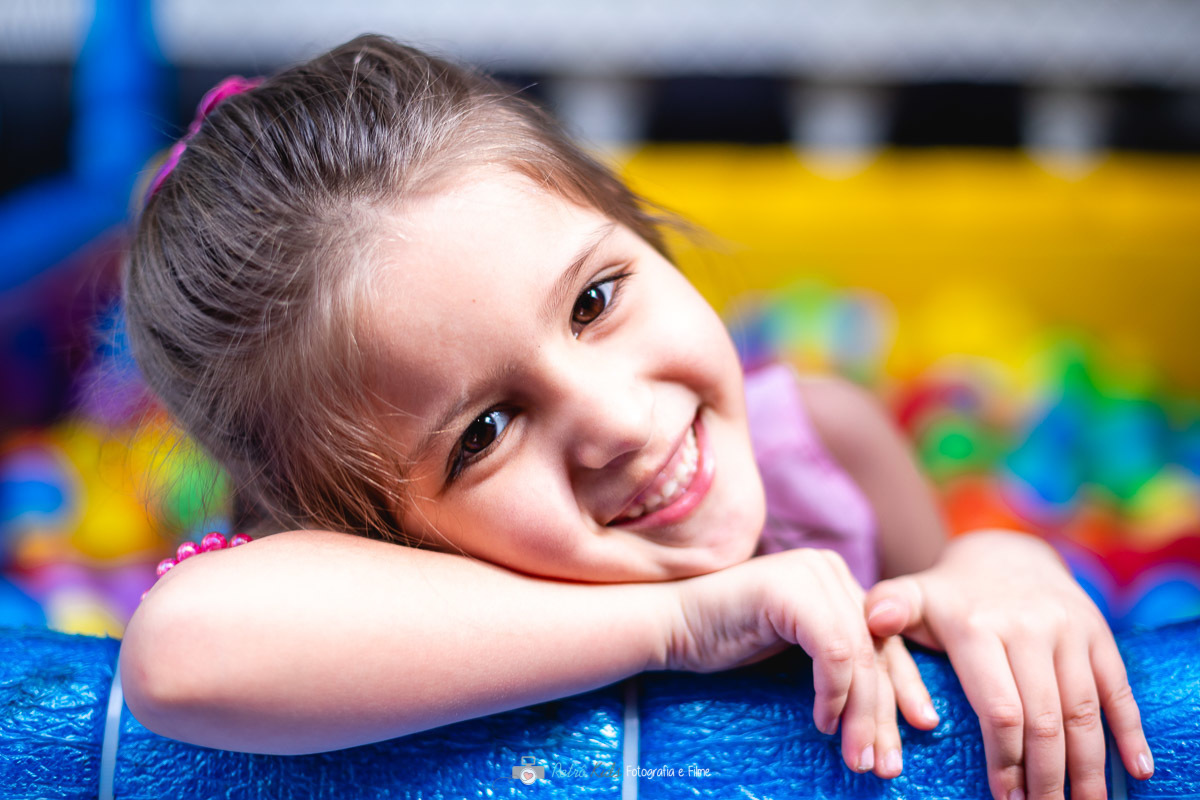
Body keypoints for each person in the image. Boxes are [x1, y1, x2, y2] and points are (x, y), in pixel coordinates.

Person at [119, 34, 1152, 800]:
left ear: (639, 226)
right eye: (482, 432)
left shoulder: (821, 444)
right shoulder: (372, 619)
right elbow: (178, 649)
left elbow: (950, 601)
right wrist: (677, 622)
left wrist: (1000, 570)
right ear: (362, 534)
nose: (614, 418)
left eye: (594, 299)